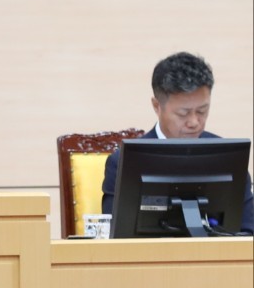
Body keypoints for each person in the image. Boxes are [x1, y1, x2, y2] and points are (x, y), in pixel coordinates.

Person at [102, 51, 253, 234]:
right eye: (183, 113)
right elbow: (115, 237)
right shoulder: (123, 162)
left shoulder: (228, 157)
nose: (194, 122)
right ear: (157, 106)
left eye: (202, 111)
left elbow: (248, 231)